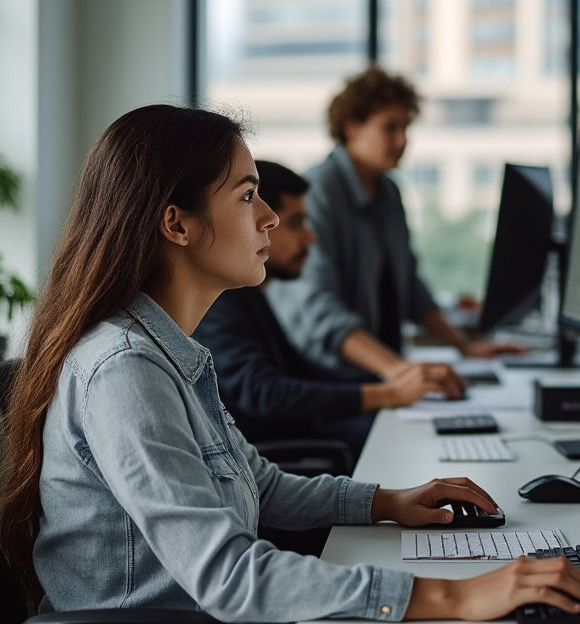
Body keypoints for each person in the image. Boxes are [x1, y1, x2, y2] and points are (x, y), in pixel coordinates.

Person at [0, 104, 580, 622]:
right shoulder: (125, 371)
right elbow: (228, 576)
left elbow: (261, 484)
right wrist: (453, 596)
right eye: (247, 196)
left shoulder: (170, 354)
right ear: (176, 223)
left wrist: (386, 501)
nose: (271, 219)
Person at [193, 160, 464, 465]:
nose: (311, 239)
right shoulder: (221, 302)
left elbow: (302, 372)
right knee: (405, 440)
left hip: (290, 439)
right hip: (266, 459)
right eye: (296, 224)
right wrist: (385, 393)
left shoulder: (250, 296)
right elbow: (263, 392)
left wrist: (396, 381)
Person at [268, 66, 526, 380]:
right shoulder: (319, 191)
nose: (403, 140)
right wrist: (399, 372)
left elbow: (410, 288)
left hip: (382, 370)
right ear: (352, 128)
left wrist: (464, 346)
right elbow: (318, 308)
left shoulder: (388, 191)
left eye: (406, 128)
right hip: (330, 378)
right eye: (390, 128)